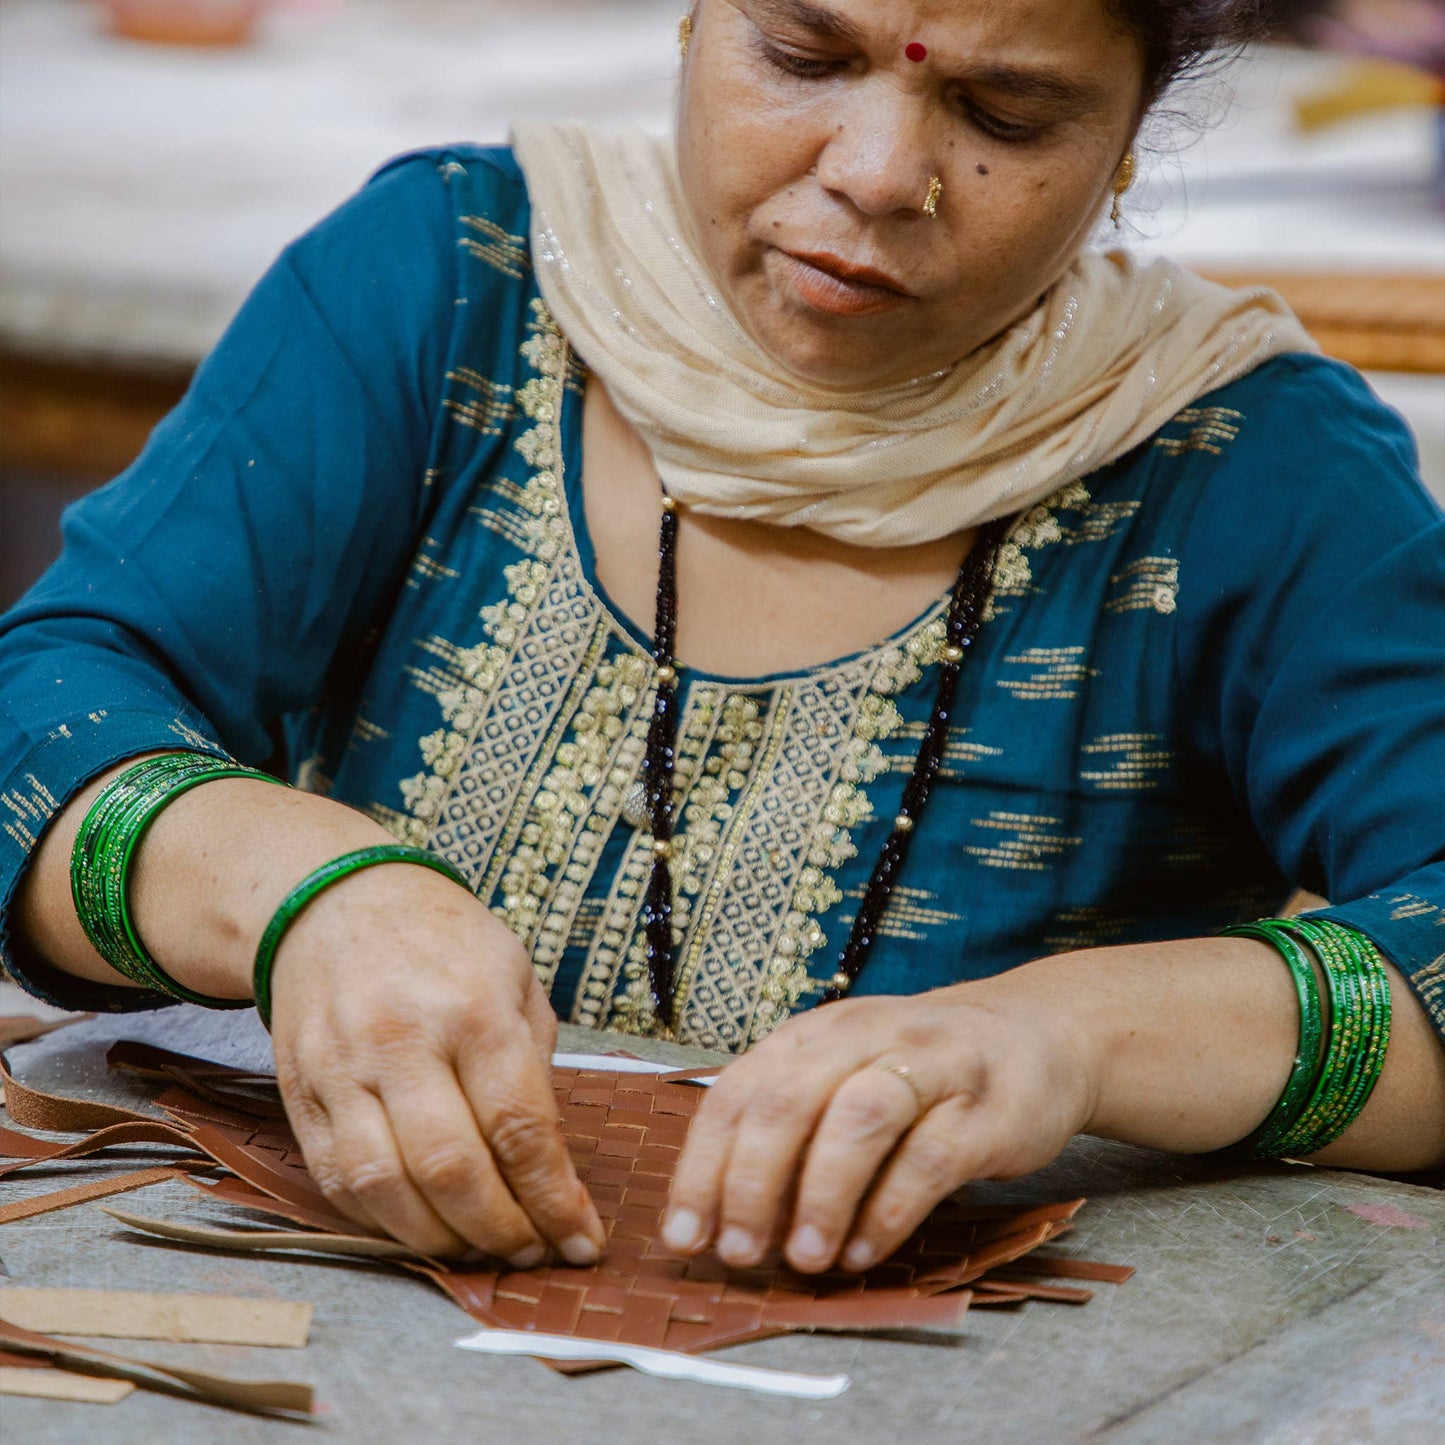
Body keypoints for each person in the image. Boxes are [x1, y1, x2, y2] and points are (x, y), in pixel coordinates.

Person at [2, 0, 1442, 1281]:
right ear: (690, 27)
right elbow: (44, 704)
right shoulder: (452, 288)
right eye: (801, 55)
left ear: (1129, 137)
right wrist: (302, 888)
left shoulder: (1245, 468)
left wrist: (1073, 1039)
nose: (877, 175)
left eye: (1007, 115)